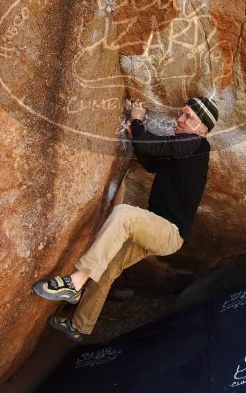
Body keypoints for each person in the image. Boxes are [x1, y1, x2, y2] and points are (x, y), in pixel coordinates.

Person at [32, 96, 218, 342]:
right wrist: (134, 134)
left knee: (124, 215)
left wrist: (137, 120)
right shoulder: (184, 151)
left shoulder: (196, 145)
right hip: (155, 228)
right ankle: (80, 325)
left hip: (169, 232)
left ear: (203, 129)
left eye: (188, 117)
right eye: (181, 114)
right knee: (108, 268)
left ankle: (75, 281)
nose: (180, 120)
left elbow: (156, 146)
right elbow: (151, 161)